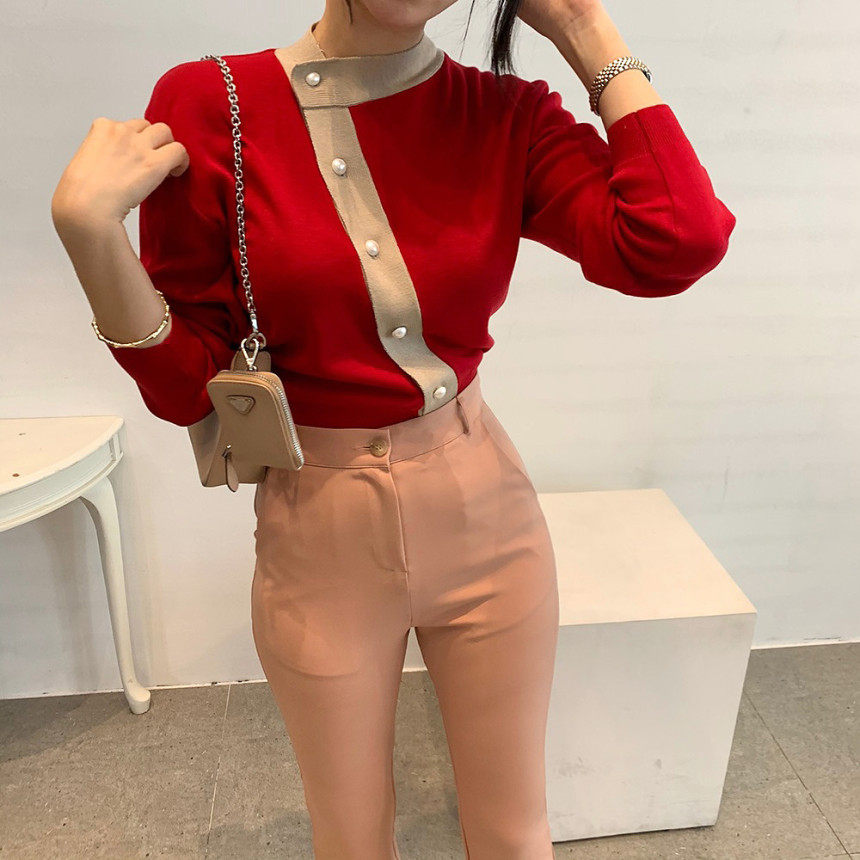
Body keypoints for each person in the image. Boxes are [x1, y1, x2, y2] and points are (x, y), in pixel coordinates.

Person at [51, 0, 736, 856]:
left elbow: (674, 240)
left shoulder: (502, 116)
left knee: (516, 832)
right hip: (319, 535)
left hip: (488, 518)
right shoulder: (210, 104)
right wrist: (91, 236)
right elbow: (189, 386)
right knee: (350, 836)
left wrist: (583, 26)